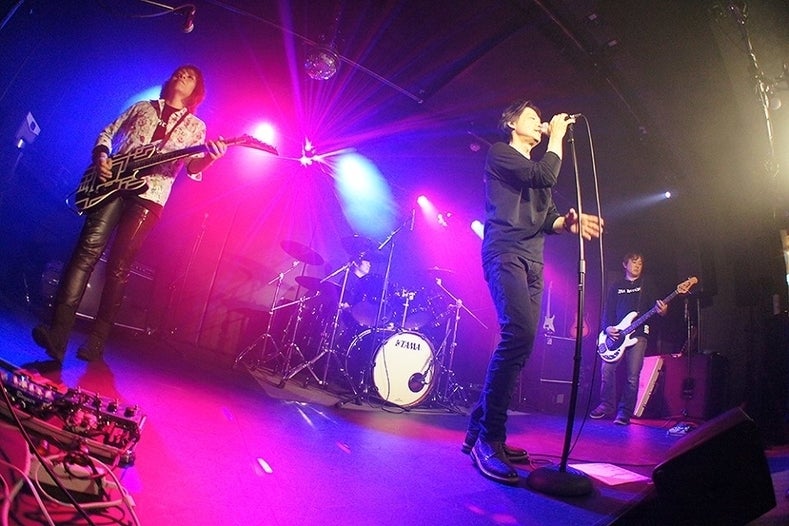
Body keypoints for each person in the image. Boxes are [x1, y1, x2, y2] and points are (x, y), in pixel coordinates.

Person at [33, 65, 227, 364]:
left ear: (195, 92)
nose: (182, 76)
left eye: (190, 77)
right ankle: (57, 335)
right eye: (180, 72)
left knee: (119, 266)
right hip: (111, 186)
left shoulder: (195, 127)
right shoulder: (142, 107)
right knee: (86, 252)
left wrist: (211, 159)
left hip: (150, 196)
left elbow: (193, 167)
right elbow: (108, 132)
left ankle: (97, 341)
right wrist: (101, 156)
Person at [463, 97, 603, 484]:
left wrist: (566, 224)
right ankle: (488, 437)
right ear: (512, 124)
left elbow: (546, 219)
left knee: (523, 345)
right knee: (518, 334)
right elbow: (544, 175)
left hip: (533, 261)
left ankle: (483, 429)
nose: (540, 122)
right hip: (505, 252)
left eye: (542, 119)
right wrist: (556, 136)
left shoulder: (537, 171)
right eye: (532, 117)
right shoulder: (501, 153)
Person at [590, 252, 667, 425]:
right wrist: (607, 328)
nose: (637, 266)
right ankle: (606, 405)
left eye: (640, 263)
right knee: (606, 370)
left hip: (638, 335)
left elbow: (658, 309)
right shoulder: (616, 286)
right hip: (617, 335)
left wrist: (663, 311)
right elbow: (608, 310)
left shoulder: (647, 284)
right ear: (625, 264)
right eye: (634, 262)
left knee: (632, 376)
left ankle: (624, 412)